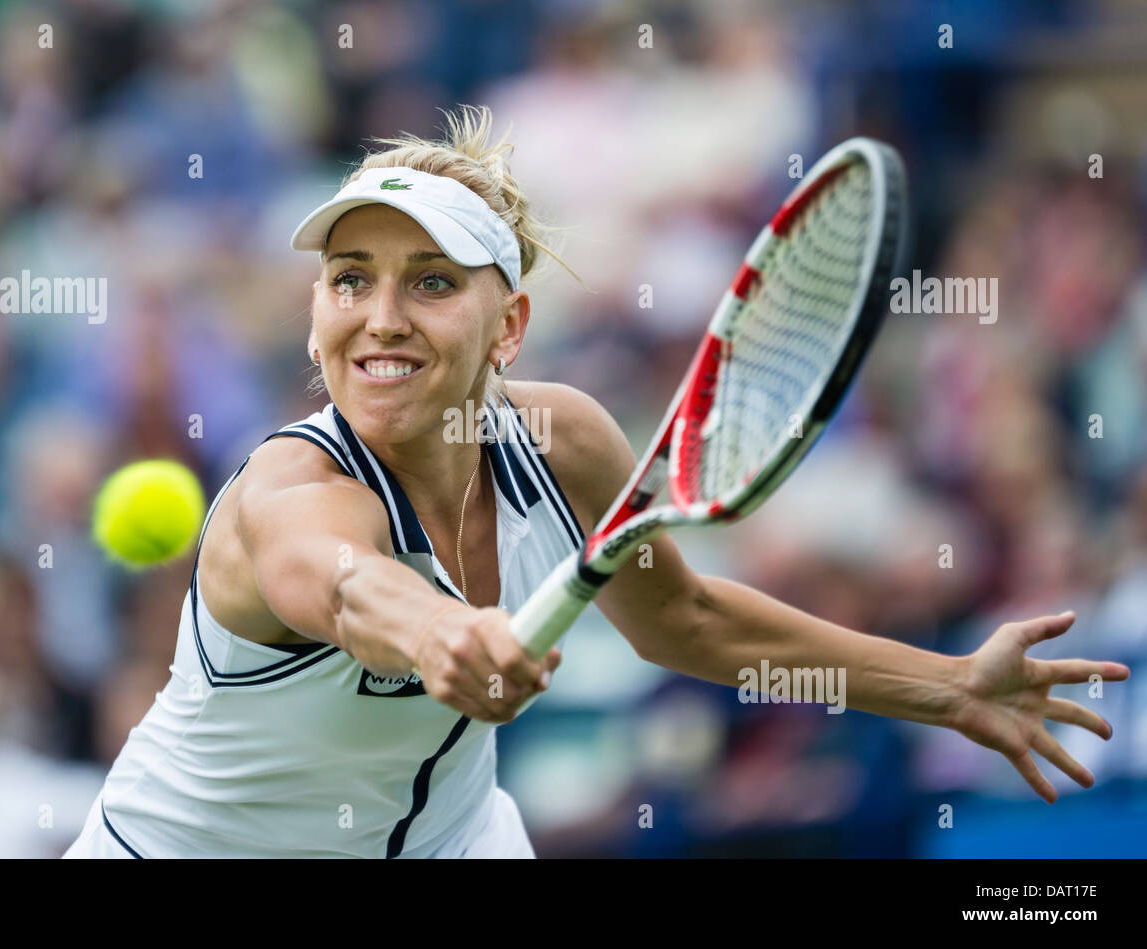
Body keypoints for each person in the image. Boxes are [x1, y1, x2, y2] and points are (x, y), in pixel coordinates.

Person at [64, 105, 1129, 858]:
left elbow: (690, 623)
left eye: (431, 282)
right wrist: (441, 635)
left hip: (450, 842)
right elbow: (346, 584)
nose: (380, 316)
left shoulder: (561, 438)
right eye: (351, 279)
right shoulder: (287, 489)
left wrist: (943, 687)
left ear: (510, 326)